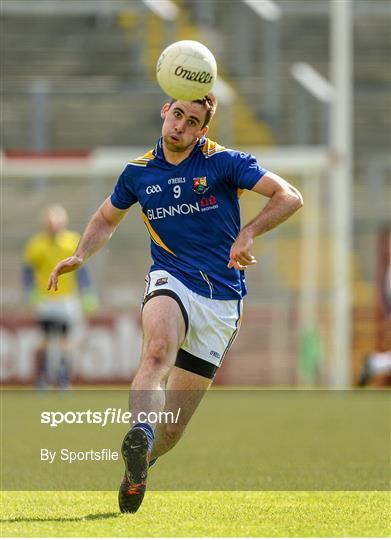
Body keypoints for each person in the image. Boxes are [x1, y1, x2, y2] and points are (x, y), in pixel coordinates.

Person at [48, 94, 303, 512]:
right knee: (156, 352)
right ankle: (140, 433)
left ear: (203, 130)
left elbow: (289, 195)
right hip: (172, 279)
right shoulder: (138, 173)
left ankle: (140, 464)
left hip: (221, 301)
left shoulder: (224, 162)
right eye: (177, 115)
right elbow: (105, 218)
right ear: (165, 112)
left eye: (192, 121)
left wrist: (249, 232)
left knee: (175, 428)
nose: (180, 126)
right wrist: (80, 253)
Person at [23, 204, 98, 388]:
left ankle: (64, 379)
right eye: (50, 222)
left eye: (56, 221)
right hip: (46, 299)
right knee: (45, 339)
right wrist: (31, 293)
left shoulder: (72, 241)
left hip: (66, 299)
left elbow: (82, 271)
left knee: (66, 341)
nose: (53, 225)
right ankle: (41, 379)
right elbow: (27, 272)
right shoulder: (36, 244)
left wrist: (88, 293)